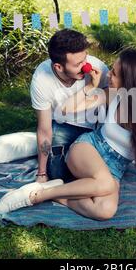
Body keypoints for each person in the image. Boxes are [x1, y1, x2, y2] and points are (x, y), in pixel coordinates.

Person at [0, 49, 136, 220]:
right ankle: (36, 196)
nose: (108, 75)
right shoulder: (113, 95)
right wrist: (91, 86)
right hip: (89, 148)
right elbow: (67, 108)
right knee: (105, 184)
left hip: (115, 166)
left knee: (105, 211)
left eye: (114, 74)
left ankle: (60, 190)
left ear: (129, 81)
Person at [30, 29, 109, 184]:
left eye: (85, 58)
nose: (86, 67)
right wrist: (41, 172)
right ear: (59, 67)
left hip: (95, 127)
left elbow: (111, 94)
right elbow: (44, 129)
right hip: (63, 125)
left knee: (99, 172)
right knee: (58, 175)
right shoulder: (41, 80)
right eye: (78, 64)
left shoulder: (97, 66)